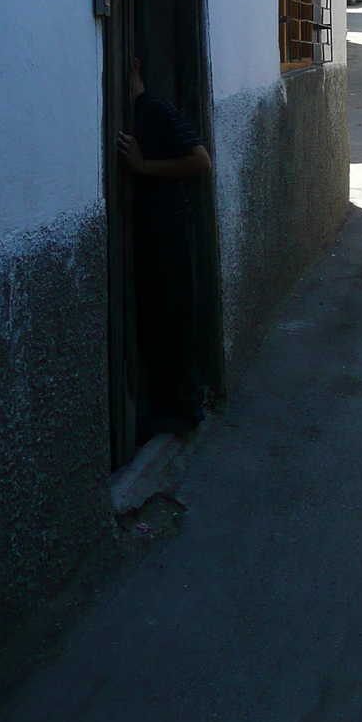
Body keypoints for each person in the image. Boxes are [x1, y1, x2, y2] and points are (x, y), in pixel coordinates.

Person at [118, 54, 211, 440]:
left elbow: (200, 161)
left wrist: (142, 166)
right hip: (148, 235)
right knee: (155, 322)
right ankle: (167, 407)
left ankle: (183, 409)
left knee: (173, 321)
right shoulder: (125, 114)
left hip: (170, 233)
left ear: (135, 66)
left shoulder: (155, 109)